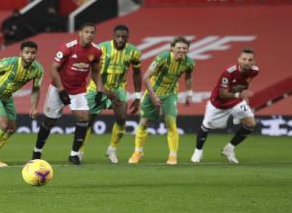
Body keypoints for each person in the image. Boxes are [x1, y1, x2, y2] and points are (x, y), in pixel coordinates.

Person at [31, 23, 104, 165]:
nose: (90, 35)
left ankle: (74, 154)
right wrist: (61, 90)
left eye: (92, 33)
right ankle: (37, 150)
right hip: (58, 87)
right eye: (87, 32)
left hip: (78, 89)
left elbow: (95, 72)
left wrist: (99, 90)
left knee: (84, 118)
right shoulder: (68, 47)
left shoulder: (96, 51)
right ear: (80, 33)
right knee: (50, 120)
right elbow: (53, 69)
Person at [0, 41, 44, 167]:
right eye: (27, 52)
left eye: (33, 53)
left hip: (7, 98)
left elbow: (36, 90)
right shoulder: (9, 63)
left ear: (36, 54)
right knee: (3, 125)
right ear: (21, 53)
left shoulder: (38, 70)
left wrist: (34, 107)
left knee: (11, 129)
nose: (30, 55)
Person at [79, 25, 142, 163]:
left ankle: (112, 149)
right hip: (96, 87)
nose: (120, 39)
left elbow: (137, 73)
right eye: (118, 36)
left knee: (121, 119)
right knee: (87, 122)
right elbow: (93, 72)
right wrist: (104, 91)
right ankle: (79, 151)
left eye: (123, 37)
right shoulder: (100, 49)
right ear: (113, 36)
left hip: (118, 88)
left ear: (128, 37)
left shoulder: (134, 52)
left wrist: (137, 98)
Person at [128, 36, 195, 165]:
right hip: (152, 92)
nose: (181, 50)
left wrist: (189, 93)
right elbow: (146, 77)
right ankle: (138, 151)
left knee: (171, 123)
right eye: (179, 48)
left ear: (188, 50)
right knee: (144, 122)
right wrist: (153, 97)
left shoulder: (189, 63)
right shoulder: (162, 58)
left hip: (170, 94)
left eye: (184, 48)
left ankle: (173, 155)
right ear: (172, 48)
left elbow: (188, 76)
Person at [191, 48, 259, 164]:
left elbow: (245, 83)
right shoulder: (228, 72)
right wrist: (240, 94)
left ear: (253, 61)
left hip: (236, 101)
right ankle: (198, 151)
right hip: (218, 103)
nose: (247, 62)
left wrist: (244, 98)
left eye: (250, 60)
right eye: (244, 59)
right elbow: (223, 94)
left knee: (251, 123)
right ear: (239, 60)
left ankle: (229, 149)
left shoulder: (255, 70)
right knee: (206, 126)